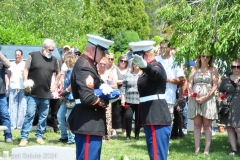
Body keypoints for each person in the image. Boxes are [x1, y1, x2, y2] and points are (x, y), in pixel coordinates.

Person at [67, 34, 114, 160]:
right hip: (87, 122)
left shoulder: (88, 65)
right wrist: (104, 102)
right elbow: (87, 98)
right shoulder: (85, 68)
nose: (104, 56)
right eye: (102, 52)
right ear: (93, 50)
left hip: (89, 122)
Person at [130, 41, 172, 160]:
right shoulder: (146, 71)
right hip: (151, 118)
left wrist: (145, 65)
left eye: (138, 57)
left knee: (157, 156)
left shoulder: (156, 66)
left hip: (156, 118)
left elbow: (156, 73)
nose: (135, 61)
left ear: (146, 55)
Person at [19, 39, 61, 147]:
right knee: (29, 115)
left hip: (46, 94)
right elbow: (25, 70)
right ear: (43, 47)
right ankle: (24, 137)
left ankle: (39, 136)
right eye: (50, 49)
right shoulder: (33, 56)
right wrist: (25, 82)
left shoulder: (54, 60)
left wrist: (55, 84)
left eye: (52, 50)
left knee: (43, 117)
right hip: (32, 93)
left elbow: (59, 73)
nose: (51, 51)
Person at [188, 54, 219, 155]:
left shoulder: (213, 69)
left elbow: (215, 85)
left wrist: (205, 97)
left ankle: (206, 149)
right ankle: (197, 148)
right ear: (199, 57)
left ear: (210, 58)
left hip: (208, 99)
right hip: (195, 99)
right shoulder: (194, 69)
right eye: (203, 56)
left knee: (207, 125)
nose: (205, 58)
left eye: (208, 56)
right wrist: (194, 95)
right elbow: (189, 84)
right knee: (197, 125)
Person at [155, 40, 185, 136]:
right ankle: (158, 138)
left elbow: (181, 79)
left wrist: (168, 80)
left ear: (169, 48)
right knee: (157, 118)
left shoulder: (175, 61)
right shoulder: (156, 60)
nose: (163, 49)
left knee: (168, 118)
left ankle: (166, 139)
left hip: (169, 95)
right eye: (161, 47)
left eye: (165, 47)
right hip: (156, 95)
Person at [219, 60, 240, 156]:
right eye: (233, 67)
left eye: (238, 66)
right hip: (228, 106)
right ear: (231, 67)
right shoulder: (226, 80)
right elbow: (220, 91)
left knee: (238, 128)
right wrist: (222, 98)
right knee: (230, 128)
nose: (236, 68)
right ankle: (234, 150)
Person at [57, 52, 77, 144]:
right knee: (60, 115)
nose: (64, 61)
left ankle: (72, 138)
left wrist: (63, 93)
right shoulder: (68, 70)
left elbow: (72, 85)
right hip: (66, 97)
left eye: (65, 59)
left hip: (71, 98)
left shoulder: (74, 71)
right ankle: (64, 135)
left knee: (69, 118)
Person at [98, 56, 117, 140]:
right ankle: (99, 134)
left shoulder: (109, 74)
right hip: (97, 98)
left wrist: (106, 85)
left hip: (106, 98)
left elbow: (115, 85)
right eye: (101, 63)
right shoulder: (96, 73)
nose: (102, 65)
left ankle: (107, 135)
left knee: (107, 116)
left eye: (104, 64)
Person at [121, 62, 142, 140]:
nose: (136, 65)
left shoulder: (142, 74)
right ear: (132, 65)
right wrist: (123, 98)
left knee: (138, 118)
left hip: (139, 99)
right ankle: (128, 135)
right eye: (134, 63)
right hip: (129, 98)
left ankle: (137, 135)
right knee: (128, 117)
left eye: (137, 63)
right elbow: (123, 87)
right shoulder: (127, 74)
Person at [6, 49, 27, 130]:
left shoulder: (25, 65)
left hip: (22, 88)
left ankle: (20, 125)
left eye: (18, 55)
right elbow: (8, 76)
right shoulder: (11, 64)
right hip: (13, 87)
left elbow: (27, 76)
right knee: (12, 105)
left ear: (22, 56)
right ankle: (12, 124)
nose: (17, 56)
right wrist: (7, 86)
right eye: (16, 55)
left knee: (22, 106)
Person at [111, 55, 129, 137]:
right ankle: (114, 130)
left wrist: (121, 81)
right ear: (118, 61)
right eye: (121, 60)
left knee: (125, 113)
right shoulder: (115, 69)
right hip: (117, 93)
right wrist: (125, 81)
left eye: (125, 61)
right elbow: (115, 81)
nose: (123, 62)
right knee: (115, 112)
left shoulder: (129, 70)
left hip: (127, 94)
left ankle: (123, 130)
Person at [0, 49, 12, 143]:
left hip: (1, 93)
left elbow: (8, 65)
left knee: (5, 115)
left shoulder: (3, 57)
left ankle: (8, 136)